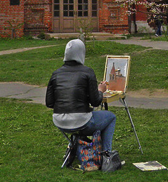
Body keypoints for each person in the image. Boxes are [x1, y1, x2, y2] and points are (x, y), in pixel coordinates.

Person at [45, 39, 120, 169]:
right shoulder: (87, 72)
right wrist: (100, 90)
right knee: (111, 117)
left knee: (84, 123)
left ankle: (82, 150)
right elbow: (96, 101)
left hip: (59, 122)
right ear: (81, 53)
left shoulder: (56, 74)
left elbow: (49, 103)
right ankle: (105, 155)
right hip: (81, 121)